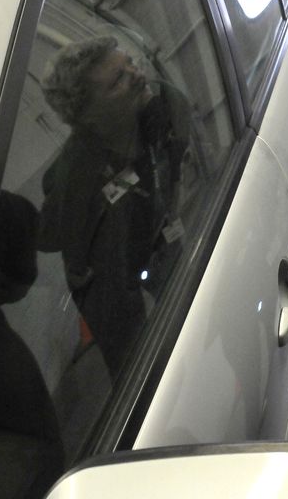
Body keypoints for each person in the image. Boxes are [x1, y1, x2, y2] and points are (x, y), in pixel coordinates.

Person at [39, 35, 185, 376]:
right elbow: (55, 239)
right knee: (135, 366)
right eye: (118, 79)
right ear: (87, 115)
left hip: (159, 240)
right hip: (110, 279)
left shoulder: (159, 111)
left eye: (130, 64)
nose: (136, 75)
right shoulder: (75, 183)